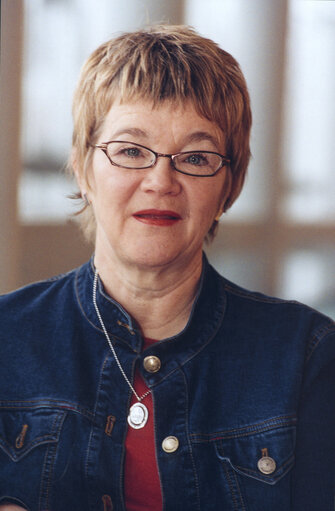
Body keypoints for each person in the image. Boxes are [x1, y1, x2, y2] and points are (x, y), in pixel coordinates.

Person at [0, 25, 334, 511]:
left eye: (195, 157)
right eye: (131, 150)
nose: (161, 181)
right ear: (82, 166)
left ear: (230, 186)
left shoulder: (308, 360)